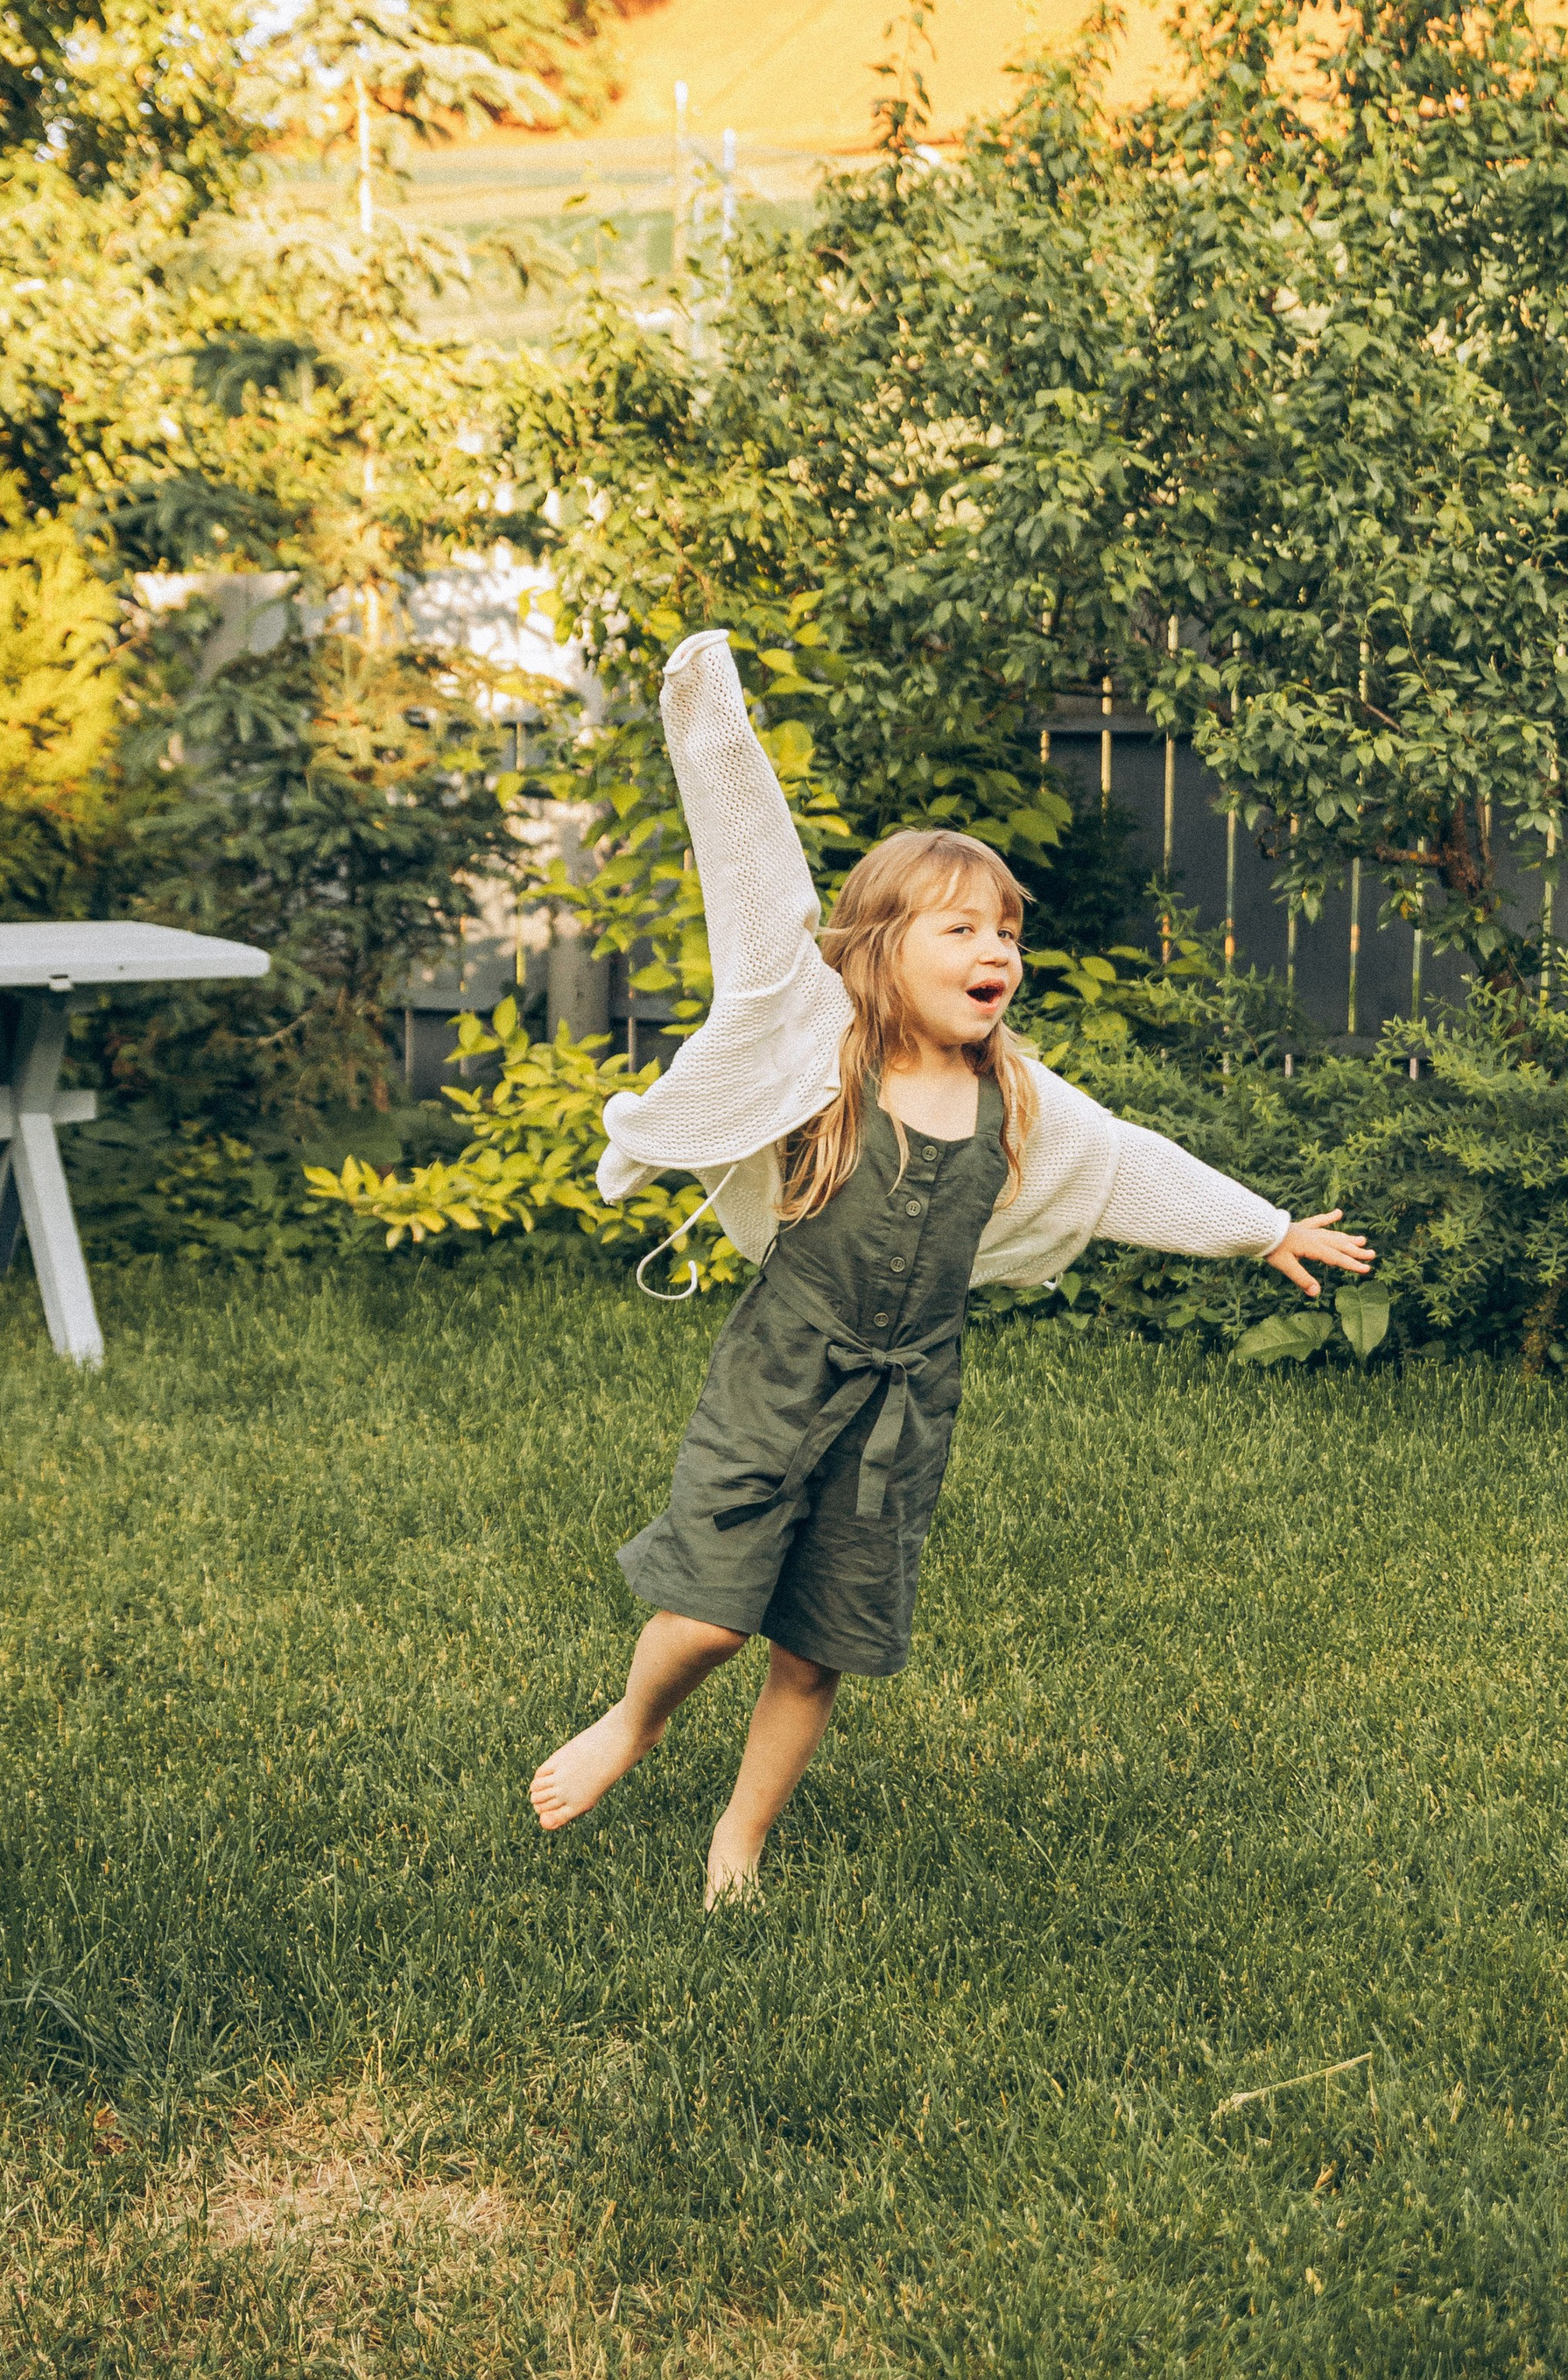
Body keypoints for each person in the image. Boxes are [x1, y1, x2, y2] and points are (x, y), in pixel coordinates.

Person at [528, 628, 1371, 1902]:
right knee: (710, 1611)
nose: (997, 953)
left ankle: (739, 1843)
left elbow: (1127, 1166)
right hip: (783, 1372)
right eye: (963, 927)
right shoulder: (817, 1043)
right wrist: (708, 714)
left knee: (817, 1647)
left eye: (1009, 936)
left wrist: (1262, 1227)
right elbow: (755, 875)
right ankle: (634, 1724)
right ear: (877, 945)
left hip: (905, 1399)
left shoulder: (1019, 1100)